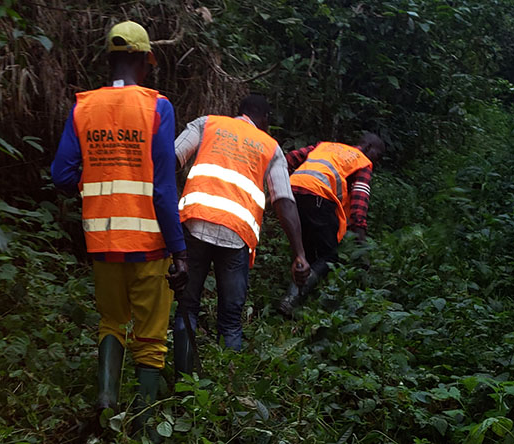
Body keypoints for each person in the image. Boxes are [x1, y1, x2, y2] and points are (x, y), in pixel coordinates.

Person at [50, 21, 188, 438]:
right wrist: (179, 250)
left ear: (108, 59)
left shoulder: (83, 107)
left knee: (112, 321)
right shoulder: (156, 107)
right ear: (147, 61)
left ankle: (106, 403)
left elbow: (60, 175)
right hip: (149, 243)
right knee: (151, 337)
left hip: (102, 240)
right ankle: (144, 426)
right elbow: (163, 188)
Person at [172, 94, 311, 375]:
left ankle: (181, 383)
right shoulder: (270, 147)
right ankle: (227, 389)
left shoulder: (207, 124)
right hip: (237, 238)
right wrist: (299, 253)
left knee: (186, 310)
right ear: (265, 120)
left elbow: (169, 159)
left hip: (194, 227)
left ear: (239, 112)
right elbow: (283, 199)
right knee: (231, 320)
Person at [276, 134, 385, 317]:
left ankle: (295, 303)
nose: (376, 161)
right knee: (331, 255)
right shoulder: (362, 161)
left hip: (292, 193)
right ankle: (291, 299)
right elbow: (360, 199)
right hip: (319, 196)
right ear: (368, 147)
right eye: (377, 155)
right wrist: (361, 241)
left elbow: (288, 159)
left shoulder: (324, 146)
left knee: (307, 251)